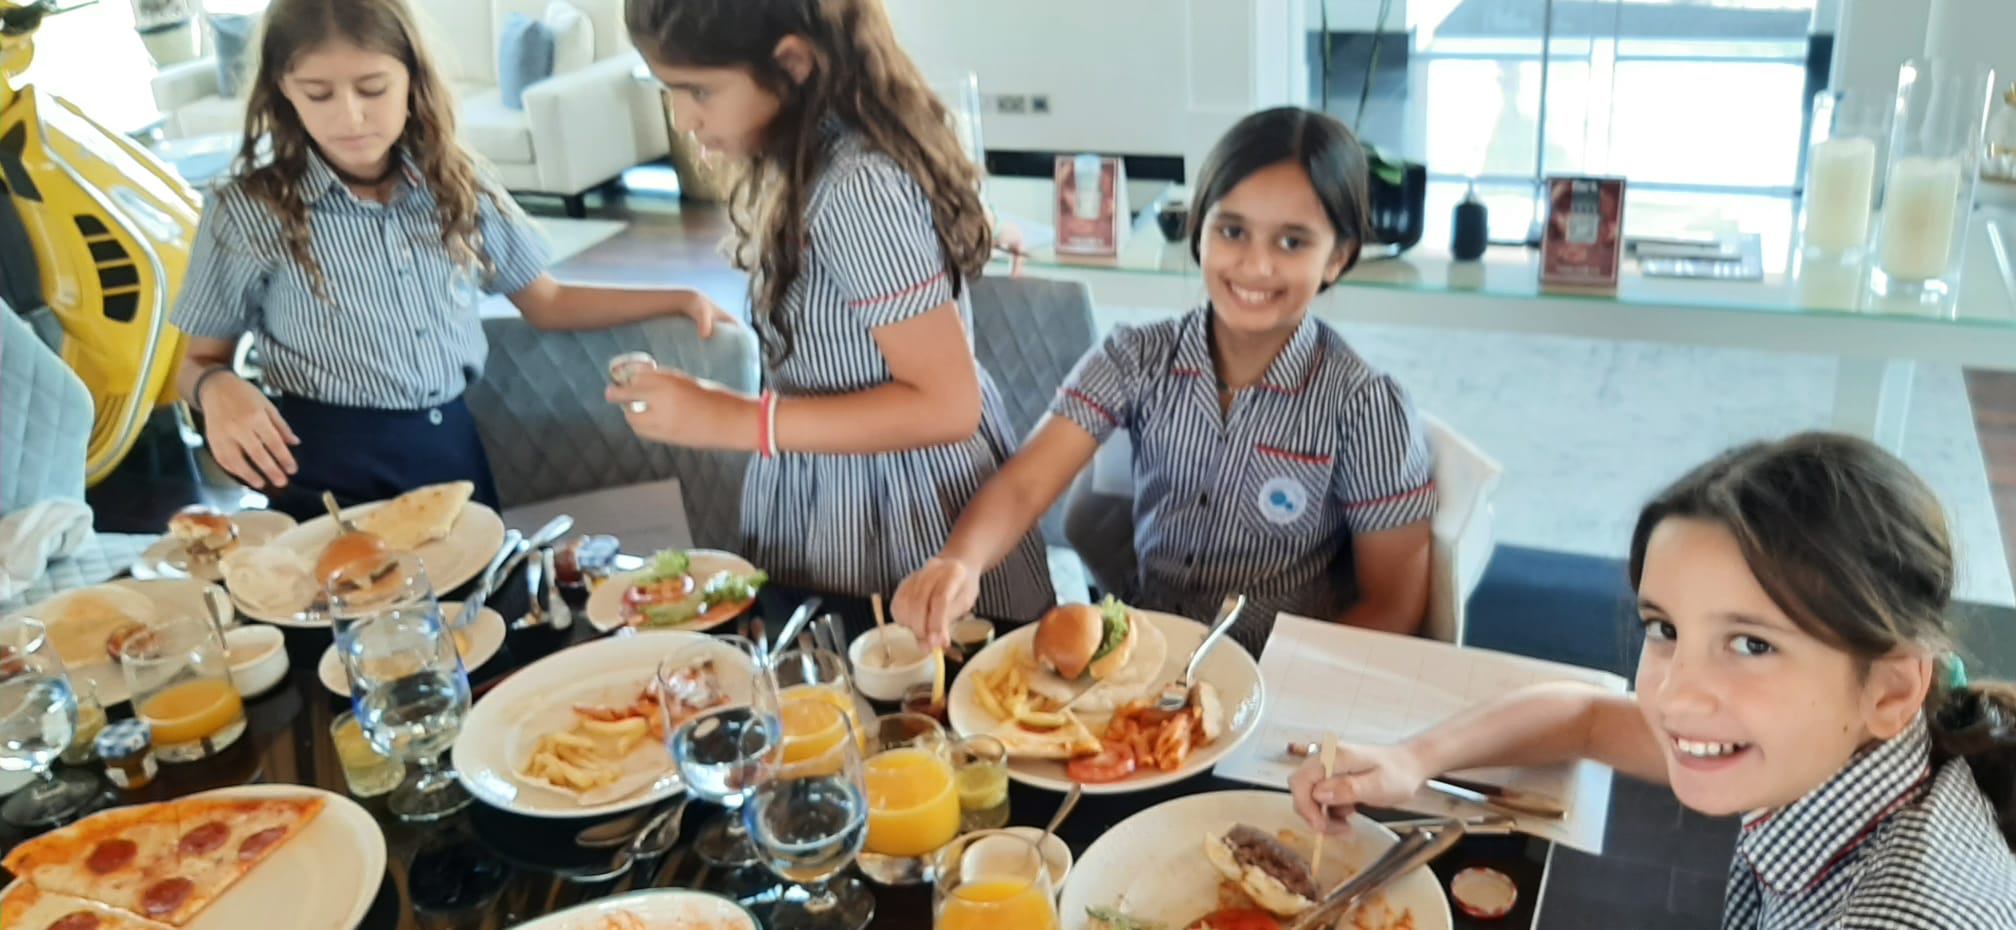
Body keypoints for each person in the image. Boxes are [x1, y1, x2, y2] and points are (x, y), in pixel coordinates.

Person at [1289, 433, 2016, 929]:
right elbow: (1588, 718)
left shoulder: (1902, 913)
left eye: (1752, 644)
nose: (1674, 695)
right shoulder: (1848, 753)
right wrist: (1410, 760)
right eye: (1665, 629)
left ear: (1891, 690)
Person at [892, 107, 1434, 654]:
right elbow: (1025, 484)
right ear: (1199, 230)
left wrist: (1281, 684)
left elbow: (1394, 603)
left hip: (1276, 673)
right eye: (1233, 231)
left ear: (1338, 258)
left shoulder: (1366, 406)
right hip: (1143, 660)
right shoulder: (1135, 357)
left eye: (1292, 242)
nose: (1255, 265)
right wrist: (959, 560)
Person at [170, 0, 734, 520]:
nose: (351, 116)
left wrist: (678, 297)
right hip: (321, 469)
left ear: (412, 80)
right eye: (318, 94)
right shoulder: (245, 210)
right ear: (283, 90)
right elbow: (196, 362)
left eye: (373, 88)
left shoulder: (460, 184)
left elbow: (548, 300)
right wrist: (216, 387)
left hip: (450, 453)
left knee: (479, 597)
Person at [609, 0, 1052, 619]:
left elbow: (949, 405)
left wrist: (732, 418)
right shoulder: (807, 154)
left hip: (901, 520)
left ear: (793, 63)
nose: (682, 118)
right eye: (669, 90)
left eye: (699, 91)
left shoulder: (855, 186)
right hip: (836, 497)